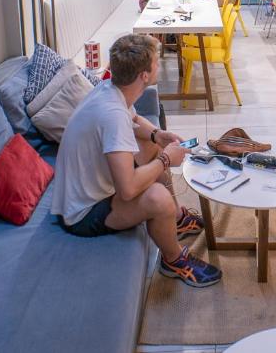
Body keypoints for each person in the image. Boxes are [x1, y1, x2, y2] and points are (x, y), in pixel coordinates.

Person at [52, 34, 222, 287]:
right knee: (157, 197)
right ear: (144, 75)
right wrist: (166, 159)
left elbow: (134, 121)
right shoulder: (112, 116)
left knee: (150, 145)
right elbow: (128, 189)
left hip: (88, 189)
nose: (158, 65)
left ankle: (176, 219)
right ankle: (174, 260)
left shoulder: (110, 91)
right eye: (155, 62)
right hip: (81, 213)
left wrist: (158, 134)